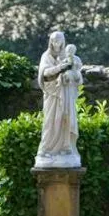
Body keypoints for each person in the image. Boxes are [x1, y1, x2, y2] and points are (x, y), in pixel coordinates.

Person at [36, 31, 82, 167]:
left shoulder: (70, 57)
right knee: (50, 121)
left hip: (66, 94)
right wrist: (59, 68)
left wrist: (72, 74)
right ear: (51, 42)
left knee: (65, 120)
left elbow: (79, 76)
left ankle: (65, 148)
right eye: (54, 41)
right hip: (52, 93)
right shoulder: (46, 56)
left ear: (63, 42)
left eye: (59, 41)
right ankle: (45, 149)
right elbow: (44, 73)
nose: (57, 44)